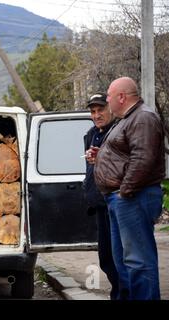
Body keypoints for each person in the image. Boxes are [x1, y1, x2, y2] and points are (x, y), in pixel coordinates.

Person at [94, 77, 165, 300]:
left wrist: (124, 192)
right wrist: (101, 157)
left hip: (133, 197)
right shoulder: (128, 118)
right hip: (122, 199)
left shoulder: (143, 117)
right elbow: (126, 154)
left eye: (108, 96)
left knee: (139, 261)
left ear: (122, 97)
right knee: (124, 261)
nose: (107, 100)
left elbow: (143, 158)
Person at [83, 93, 120, 300]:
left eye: (101, 110)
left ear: (110, 109)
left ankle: (122, 294)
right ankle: (118, 292)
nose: (97, 115)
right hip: (99, 201)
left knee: (119, 255)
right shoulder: (90, 134)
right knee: (105, 256)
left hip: (115, 200)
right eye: (93, 111)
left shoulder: (117, 131)